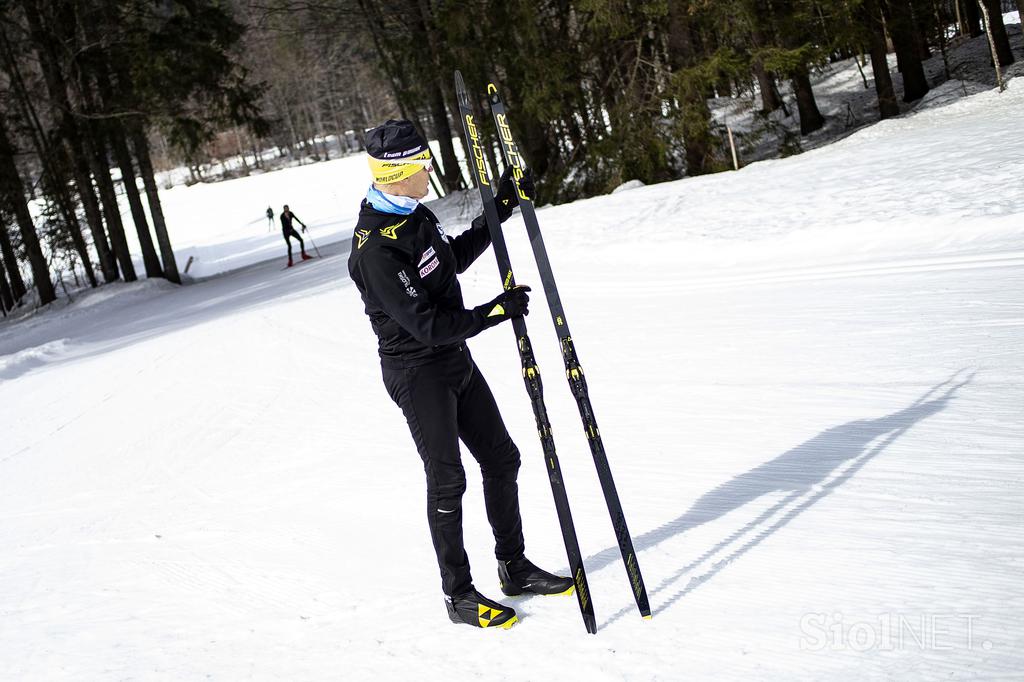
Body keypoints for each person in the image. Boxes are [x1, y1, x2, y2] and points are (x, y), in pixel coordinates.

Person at [347, 120, 571, 630]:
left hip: (453, 359)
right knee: (448, 479)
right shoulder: (376, 248)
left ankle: (513, 566)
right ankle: (459, 595)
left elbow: (450, 262)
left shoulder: (413, 213)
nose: (429, 170)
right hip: (417, 370)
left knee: (502, 457)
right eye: (420, 164)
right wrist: (495, 312)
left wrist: (503, 207)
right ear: (396, 173)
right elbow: (426, 326)